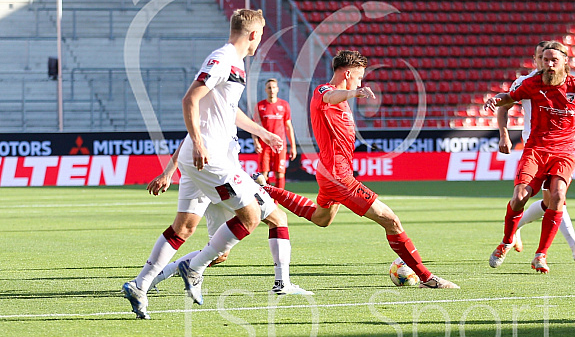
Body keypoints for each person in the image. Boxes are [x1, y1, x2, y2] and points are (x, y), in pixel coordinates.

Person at [122, 8, 304, 319]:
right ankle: (193, 268)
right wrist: (201, 142)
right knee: (252, 217)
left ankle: (141, 284)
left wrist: (262, 132)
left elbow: (226, 109)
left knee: (184, 227)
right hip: (212, 158)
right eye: (260, 36)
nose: (259, 42)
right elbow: (190, 99)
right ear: (253, 35)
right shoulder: (224, 58)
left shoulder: (234, 64)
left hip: (201, 158)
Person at [254, 50, 458, 289]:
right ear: (348, 74)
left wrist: (351, 93)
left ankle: (266, 191)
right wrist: (354, 92)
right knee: (392, 221)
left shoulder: (340, 100)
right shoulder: (324, 92)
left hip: (333, 174)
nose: (361, 83)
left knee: (321, 219)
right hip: (337, 176)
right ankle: (427, 278)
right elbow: (329, 96)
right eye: (359, 78)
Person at [484, 40, 575, 274]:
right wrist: (497, 101)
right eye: (544, 59)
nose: (547, 64)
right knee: (519, 197)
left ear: (565, 61)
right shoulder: (530, 83)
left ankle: (541, 255)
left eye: (552, 60)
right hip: (534, 149)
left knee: (556, 197)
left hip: (563, 152)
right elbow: (508, 99)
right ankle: (507, 240)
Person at [142, 144, 312, 298]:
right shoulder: (217, 115)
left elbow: (187, 142)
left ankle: (154, 277)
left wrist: (168, 173)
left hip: (207, 184)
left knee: (219, 253)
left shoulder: (212, 117)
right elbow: (192, 141)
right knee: (278, 219)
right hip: (226, 180)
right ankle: (282, 283)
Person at [252, 78, 297, 189]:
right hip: (264, 145)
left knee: (279, 173)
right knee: (263, 175)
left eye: (273, 87)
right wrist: (256, 142)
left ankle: (278, 202)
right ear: (265, 90)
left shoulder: (284, 105)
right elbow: (254, 126)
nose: (271, 90)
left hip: (280, 145)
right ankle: (266, 200)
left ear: (277, 89)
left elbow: (288, 126)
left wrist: (293, 146)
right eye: (269, 88)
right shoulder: (260, 106)